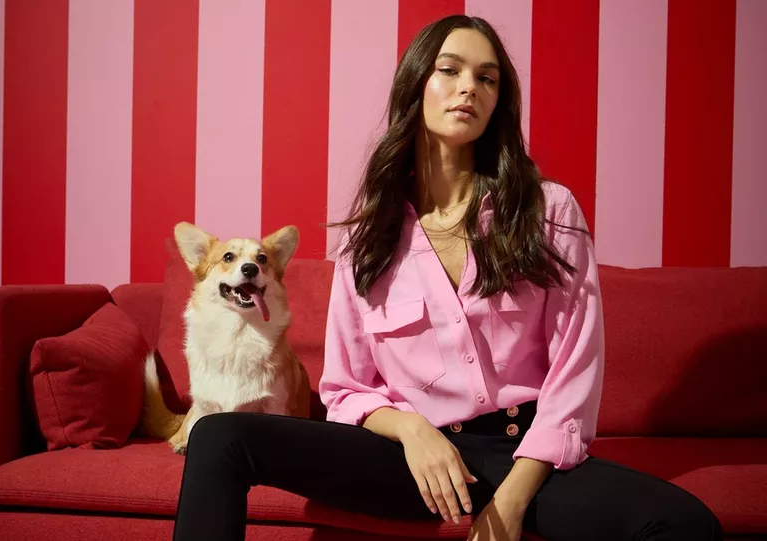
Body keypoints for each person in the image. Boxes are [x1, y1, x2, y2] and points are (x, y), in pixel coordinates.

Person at [172, 15, 723, 541]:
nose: (470, 88)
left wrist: (509, 502)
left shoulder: (549, 211)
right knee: (217, 437)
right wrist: (412, 431)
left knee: (685, 524)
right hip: (409, 457)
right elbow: (345, 390)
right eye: (451, 70)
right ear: (416, 86)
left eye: (488, 78)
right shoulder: (368, 237)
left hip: (524, 452)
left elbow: (575, 372)